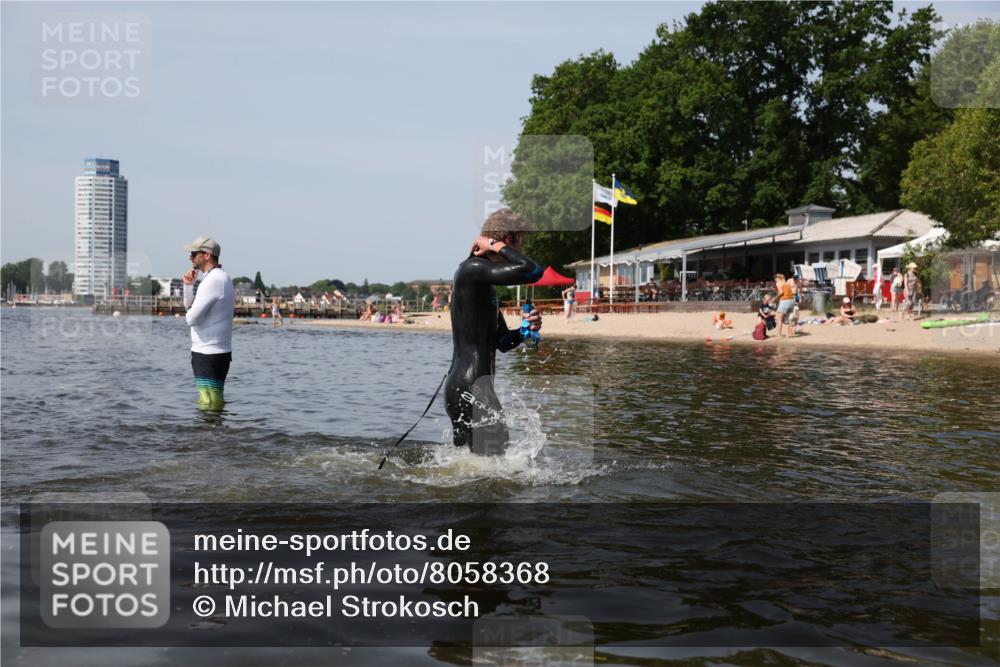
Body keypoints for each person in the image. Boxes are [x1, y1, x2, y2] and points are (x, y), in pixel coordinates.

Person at [445, 208, 543, 456]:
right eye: (520, 242)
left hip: (465, 387)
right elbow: (533, 271)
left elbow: (502, 343)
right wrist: (494, 244)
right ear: (508, 239)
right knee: (496, 466)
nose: (522, 249)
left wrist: (523, 331)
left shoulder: (482, 281)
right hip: (471, 387)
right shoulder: (472, 269)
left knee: (473, 468)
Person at [182, 236, 234, 411]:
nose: (190, 257)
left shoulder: (213, 281)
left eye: (194, 253)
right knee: (214, 400)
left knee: (208, 402)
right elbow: (190, 309)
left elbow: (191, 318)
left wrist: (190, 312)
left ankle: (208, 429)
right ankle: (218, 428)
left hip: (208, 352)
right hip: (216, 351)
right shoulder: (220, 277)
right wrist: (188, 286)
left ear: (206, 255)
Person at [773, 273, 795, 338]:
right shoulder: (787, 283)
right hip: (791, 301)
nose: (775, 281)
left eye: (775, 279)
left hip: (785, 301)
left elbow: (781, 292)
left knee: (779, 318)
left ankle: (779, 335)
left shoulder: (778, 283)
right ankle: (788, 334)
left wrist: (774, 298)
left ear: (777, 278)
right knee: (787, 318)